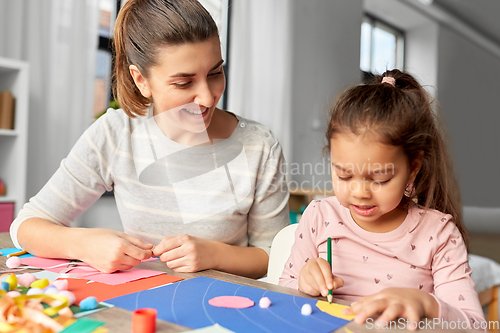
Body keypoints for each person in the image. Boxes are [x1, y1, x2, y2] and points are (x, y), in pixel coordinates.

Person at [10, 0, 289, 279]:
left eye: (215, 73)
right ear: (141, 80)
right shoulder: (117, 133)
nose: (206, 97)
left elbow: (276, 256)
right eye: (184, 82)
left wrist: (215, 254)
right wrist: (85, 244)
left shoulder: (259, 146)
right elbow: (25, 226)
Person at [279, 70, 485, 329]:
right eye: (344, 175)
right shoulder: (320, 216)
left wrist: (427, 305)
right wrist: (302, 283)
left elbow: (474, 325)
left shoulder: (439, 234)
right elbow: (281, 295)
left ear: (413, 167)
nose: (360, 192)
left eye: (380, 179)